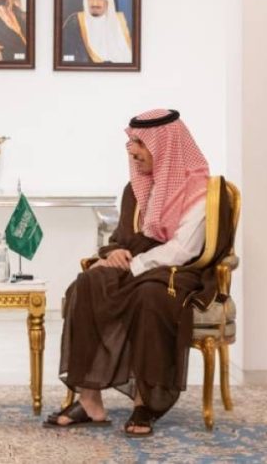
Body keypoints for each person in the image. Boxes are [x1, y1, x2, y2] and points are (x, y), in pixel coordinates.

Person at [44, 109, 234, 437]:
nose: (131, 150)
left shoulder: (204, 192)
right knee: (88, 283)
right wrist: (113, 254)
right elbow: (122, 238)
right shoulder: (136, 189)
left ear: (166, 146)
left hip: (179, 273)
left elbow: (183, 250)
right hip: (139, 264)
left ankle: (145, 402)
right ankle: (90, 401)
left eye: (140, 143)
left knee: (150, 296)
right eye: (131, 142)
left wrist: (133, 265)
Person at [61, 0, 132, 64]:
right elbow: (66, 57)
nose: (95, 3)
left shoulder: (122, 23)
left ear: (108, 0)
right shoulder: (74, 22)